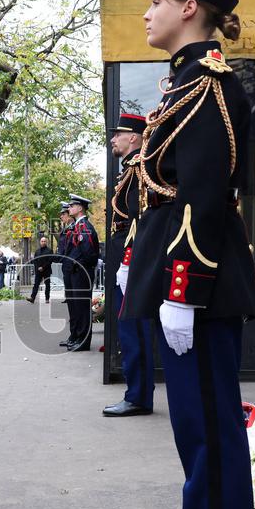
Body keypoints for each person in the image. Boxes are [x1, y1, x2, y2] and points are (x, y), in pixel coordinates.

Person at [124, 0, 255, 509]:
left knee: (209, 430)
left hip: (198, 288)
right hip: (188, 285)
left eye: (157, 1)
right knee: (195, 429)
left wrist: (183, 289)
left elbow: (203, 199)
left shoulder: (208, 87)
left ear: (188, 9)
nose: (148, 14)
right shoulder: (185, 84)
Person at [103, 113, 156, 417]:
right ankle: (137, 393)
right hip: (125, 256)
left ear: (133, 137)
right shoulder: (130, 170)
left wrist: (128, 262)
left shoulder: (138, 169)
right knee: (129, 329)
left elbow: (139, 220)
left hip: (130, 260)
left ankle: (137, 396)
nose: (113, 139)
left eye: (118, 134)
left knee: (133, 329)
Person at [64, 194, 99, 352]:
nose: (69, 208)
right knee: (77, 308)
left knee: (82, 308)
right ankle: (78, 337)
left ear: (80, 208)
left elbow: (89, 254)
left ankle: (83, 341)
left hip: (81, 272)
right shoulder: (78, 226)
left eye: (72, 206)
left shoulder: (84, 227)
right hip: (76, 272)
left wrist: (80, 266)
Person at [26, 236, 54, 304]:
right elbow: (35, 261)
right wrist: (38, 268)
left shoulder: (49, 251)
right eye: (42, 241)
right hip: (38, 271)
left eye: (44, 241)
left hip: (47, 270)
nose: (43, 242)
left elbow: (50, 261)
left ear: (46, 242)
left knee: (47, 285)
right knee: (36, 284)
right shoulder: (37, 251)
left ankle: (47, 298)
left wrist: (43, 267)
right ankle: (32, 298)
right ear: (40, 242)